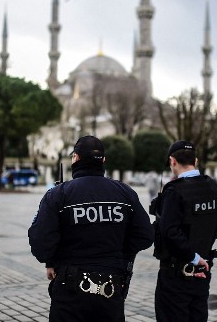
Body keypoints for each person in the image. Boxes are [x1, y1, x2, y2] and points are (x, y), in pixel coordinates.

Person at [28, 135, 154, 322]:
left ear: (75, 158)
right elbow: (145, 235)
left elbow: (40, 244)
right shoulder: (125, 193)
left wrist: (55, 258)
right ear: (103, 161)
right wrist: (118, 252)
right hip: (110, 290)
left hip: (69, 291)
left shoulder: (58, 195)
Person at [151, 140, 217, 322]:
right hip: (203, 271)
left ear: (172, 161)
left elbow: (169, 232)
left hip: (177, 274)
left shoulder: (174, 190)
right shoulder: (212, 185)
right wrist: (201, 239)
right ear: (195, 161)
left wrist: (193, 256)